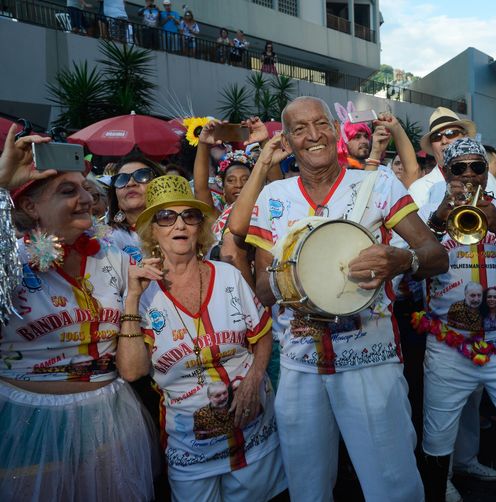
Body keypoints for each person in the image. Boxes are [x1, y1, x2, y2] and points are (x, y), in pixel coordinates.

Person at [231, 96, 448, 501]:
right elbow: (262, 289)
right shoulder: (272, 198)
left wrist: (399, 259)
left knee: (392, 484)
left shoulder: (378, 183)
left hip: (370, 359)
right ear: (288, 142)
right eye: (299, 129)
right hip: (300, 367)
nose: (313, 135)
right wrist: (297, 278)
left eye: (321, 124)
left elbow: (436, 256)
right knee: (307, 488)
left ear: (336, 129)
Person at [0, 124, 158, 501]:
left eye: (85, 189)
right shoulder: (12, 262)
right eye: (67, 191)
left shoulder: (115, 258)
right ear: (29, 206)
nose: (86, 199)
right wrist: (1, 183)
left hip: (112, 418)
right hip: (28, 426)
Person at [117, 175, 287, 500]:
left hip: (255, 437)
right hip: (191, 450)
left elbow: (262, 335)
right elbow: (132, 371)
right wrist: (131, 300)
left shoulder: (228, 276)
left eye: (189, 215)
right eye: (166, 217)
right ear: (152, 230)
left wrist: (253, 381)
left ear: (199, 227)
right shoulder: (144, 294)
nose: (179, 224)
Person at [417, 137, 496, 502]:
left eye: (478, 167)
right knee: (437, 437)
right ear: (445, 172)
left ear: (488, 172)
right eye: (461, 168)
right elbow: (415, 269)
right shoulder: (429, 208)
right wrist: (439, 220)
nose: (471, 175)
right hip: (447, 345)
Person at [105, 153, 165, 263]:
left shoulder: (181, 227)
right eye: (121, 179)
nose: (130, 183)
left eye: (142, 175)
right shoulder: (106, 239)